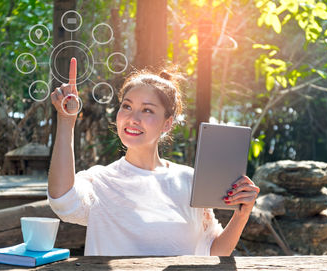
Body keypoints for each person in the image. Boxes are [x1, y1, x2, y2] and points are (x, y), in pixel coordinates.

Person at [47, 57, 260, 256]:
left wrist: (241, 214)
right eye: (127, 106)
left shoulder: (189, 180)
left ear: (167, 123)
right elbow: (62, 201)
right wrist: (66, 120)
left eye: (147, 110)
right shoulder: (101, 181)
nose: (133, 118)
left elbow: (213, 252)